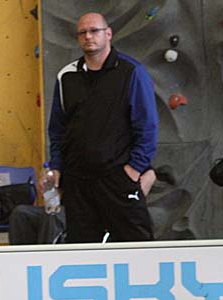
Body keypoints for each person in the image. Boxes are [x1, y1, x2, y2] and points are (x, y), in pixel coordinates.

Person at [45, 12, 159, 243]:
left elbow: (147, 126)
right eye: (82, 33)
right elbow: (57, 128)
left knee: (136, 246)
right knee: (82, 250)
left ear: (108, 34)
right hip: (77, 182)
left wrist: (133, 170)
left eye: (94, 31)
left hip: (118, 178)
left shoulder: (131, 72)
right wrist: (57, 166)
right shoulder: (66, 76)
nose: (88, 36)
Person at [8, 168, 157, 245]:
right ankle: (21, 263)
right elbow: (58, 193)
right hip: (68, 205)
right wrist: (51, 185)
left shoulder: (121, 157)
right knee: (21, 213)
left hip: (96, 210)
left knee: (53, 216)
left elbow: (148, 177)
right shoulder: (74, 158)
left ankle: (47, 263)